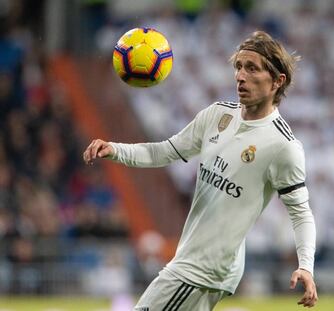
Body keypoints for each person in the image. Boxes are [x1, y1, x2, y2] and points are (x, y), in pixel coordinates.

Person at [83, 30, 318, 310]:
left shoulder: (283, 145)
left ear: (277, 82)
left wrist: (306, 266)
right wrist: (115, 149)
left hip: (203, 268)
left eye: (252, 68)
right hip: (197, 261)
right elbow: (165, 151)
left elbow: (301, 213)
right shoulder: (217, 115)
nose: (240, 76)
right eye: (238, 67)